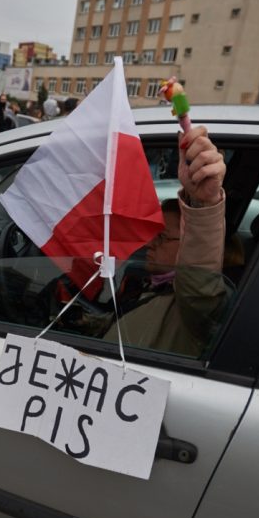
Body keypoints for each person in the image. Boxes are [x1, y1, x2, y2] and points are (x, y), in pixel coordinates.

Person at [102, 124, 230, 358]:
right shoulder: (146, 284)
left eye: (162, 237)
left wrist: (204, 204)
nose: (150, 244)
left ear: (187, 244)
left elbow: (199, 285)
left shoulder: (192, 308)